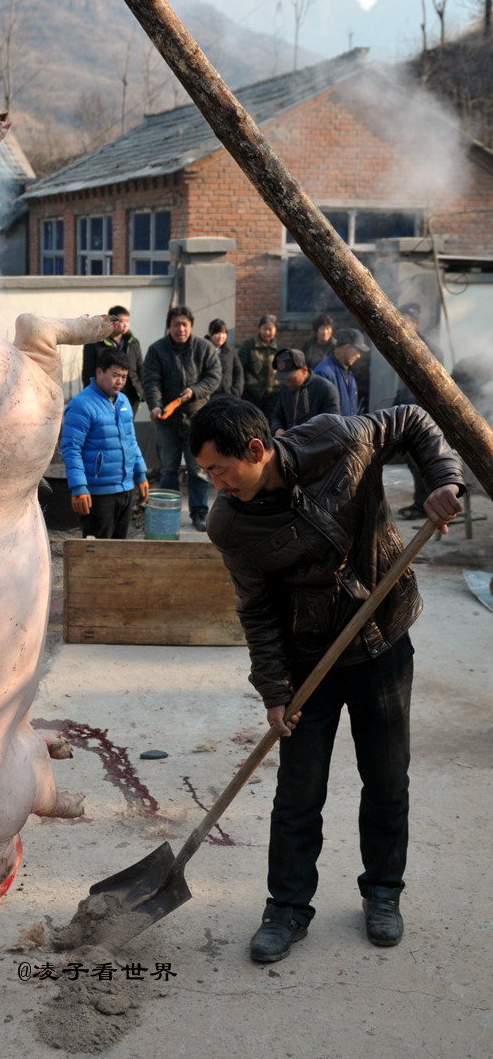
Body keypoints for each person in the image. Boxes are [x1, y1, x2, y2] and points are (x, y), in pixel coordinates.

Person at [188, 398, 463, 964]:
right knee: (298, 793)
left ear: (257, 451)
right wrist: (274, 692)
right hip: (307, 663)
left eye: (219, 469)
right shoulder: (230, 523)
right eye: (207, 473)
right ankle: (286, 908)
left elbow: (411, 420)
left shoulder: (337, 442)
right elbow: (257, 611)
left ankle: (383, 893)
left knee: (386, 779)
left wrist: (444, 480)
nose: (215, 483)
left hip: (383, 638)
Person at [143, 304, 221, 532]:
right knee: (168, 469)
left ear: (191, 326)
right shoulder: (156, 350)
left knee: (198, 468)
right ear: (169, 326)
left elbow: (214, 376)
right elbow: (151, 381)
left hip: (197, 420)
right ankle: (168, 514)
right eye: (176, 324)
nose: (180, 329)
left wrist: (195, 391)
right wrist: (156, 406)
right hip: (166, 421)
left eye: (184, 324)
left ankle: (199, 513)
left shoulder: (204, 348)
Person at [61, 349, 149, 539]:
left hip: (125, 489)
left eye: (124, 376)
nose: (120, 381)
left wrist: (140, 474)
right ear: (99, 372)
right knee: (96, 553)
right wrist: (79, 487)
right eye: (115, 375)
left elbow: (131, 441)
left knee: (118, 552)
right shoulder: (81, 405)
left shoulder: (124, 401)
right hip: (98, 495)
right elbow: (71, 449)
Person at [393, 303, 446, 521]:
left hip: (423, 412)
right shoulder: (403, 344)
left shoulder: (429, 348)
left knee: (421, 460)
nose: (402, 325)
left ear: (416, 323)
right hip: (408, 408)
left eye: (405, 321)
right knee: (412, 460)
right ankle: (421, 502)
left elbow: (433, 385)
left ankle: (424, 505)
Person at [81, 305, 144, 413]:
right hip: (103, 396)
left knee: (126, 425)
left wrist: (141, 390)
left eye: (127, 321)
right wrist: (92, 395)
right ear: (111, 322)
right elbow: (88, 373)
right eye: (121, 321)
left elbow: (140, 368)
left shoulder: (133, 342)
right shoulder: (95, 342)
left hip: (130, 396)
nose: (125, 325)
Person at [270, 347, 340, 435]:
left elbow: (331, 425)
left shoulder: (326, 389)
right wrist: (278, 429)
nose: (287, 383)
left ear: (304, 370)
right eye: (283, 379)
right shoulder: (284, 388)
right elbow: (277, 415)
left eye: (291, 378)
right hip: (290, 443)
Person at [314, 328, 369, 415]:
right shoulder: (323, 373)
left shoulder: (348, 372)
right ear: (346, 347)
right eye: (357, 350)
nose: (359, 356)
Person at [239, 314, 280, 418]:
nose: (267, 332)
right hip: (251, 394)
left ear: (275, 330)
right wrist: (243, 385)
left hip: (272, 394)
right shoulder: (249, 345)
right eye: (264, 329)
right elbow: (239, 368)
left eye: (270, 329)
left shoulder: (278, 347)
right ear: (259, 328)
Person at [205, 318, 244, 400]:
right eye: (217, 333)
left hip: (228, 395)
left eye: (223, 333)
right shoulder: (204, 350)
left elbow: (238, 371)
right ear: (210, 333)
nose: (221, 336)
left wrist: (236, 391)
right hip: (208, 397)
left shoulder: (230, 351)